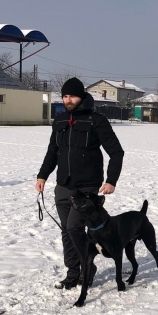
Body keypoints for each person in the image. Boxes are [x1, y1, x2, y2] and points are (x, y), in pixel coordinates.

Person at [36, 77, 124, 289]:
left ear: (82, 97)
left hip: (87, 187)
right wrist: (42, 175)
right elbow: (52, 152)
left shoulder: (96, 120)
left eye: (72, 96)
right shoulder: (59, 121)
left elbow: (116, 152)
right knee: (66, 231)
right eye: (65, 96)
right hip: (63, 185)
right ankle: (73, 272)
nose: (68, 100)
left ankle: (87, 268)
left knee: (74, 227)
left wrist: (111, 180)